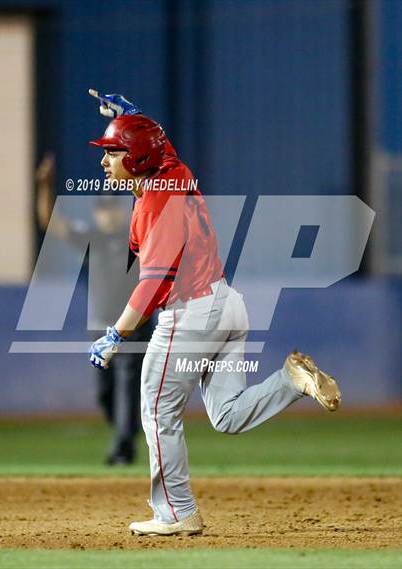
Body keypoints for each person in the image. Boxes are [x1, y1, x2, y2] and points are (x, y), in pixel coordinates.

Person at [88, 93, 342, 536]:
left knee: (156, 409)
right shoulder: (173, 176)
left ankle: (176, 512)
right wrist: (131, 117)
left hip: (190, 316)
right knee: (225, 415)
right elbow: (162, 149)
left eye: (114, 152)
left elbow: (153, 282)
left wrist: (116, 334)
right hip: (226, 304)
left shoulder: (154, 205)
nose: (105, 162)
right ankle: (291, 379)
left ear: (138, 157)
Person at [36, 153, 153, 465]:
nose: (107, 215)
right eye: (101, 209)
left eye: (111, 209)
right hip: (100, 324)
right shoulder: (93, 238)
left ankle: (122, 447)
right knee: (104, 392)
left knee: (129, 385)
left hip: (134, 325)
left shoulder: (138, 237)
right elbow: (51, 223)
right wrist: (44, 187)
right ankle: (124, 433)